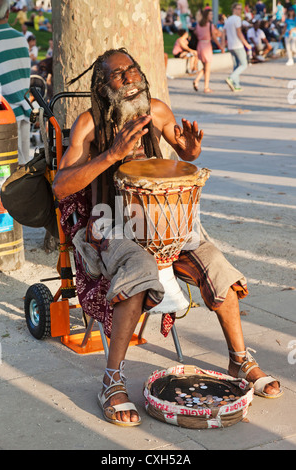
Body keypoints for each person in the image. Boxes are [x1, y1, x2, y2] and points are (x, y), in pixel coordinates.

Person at [52, 48, 283, 426]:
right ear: (102, 85)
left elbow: (183, 150)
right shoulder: (88, 125)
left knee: (216, 265)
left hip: (165, 225)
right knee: (139, 268)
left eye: (132, 70)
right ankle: (111, 382)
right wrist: (111, 154)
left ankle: (239, 360)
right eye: (117, 75)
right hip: (111, 225)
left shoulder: (156, 110)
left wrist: (191, 149)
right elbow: (62, 187)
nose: (130, 79)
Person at [0, 0, 31, 165]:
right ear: (8, 14)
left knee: (6, 169)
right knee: (24, 166)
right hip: (24, 109)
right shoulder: (21, 39)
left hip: (2, 117)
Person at [222, 2, 252, 92]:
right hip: (237, 45)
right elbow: (239, 33)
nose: (240, 11)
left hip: (231, 46)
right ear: (234, 9)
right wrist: (246, 43)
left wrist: (223, 46)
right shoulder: (237, 19)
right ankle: (231, 78)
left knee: (236, 66)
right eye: (238, 9)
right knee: (244, 64)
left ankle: (236, 85)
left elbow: (223, 33)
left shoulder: (228, 20)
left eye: (240, 9)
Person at [192, 9, 223, 93]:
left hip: (200, 45)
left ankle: (196, 80)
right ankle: (206, 87)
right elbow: (214, 37)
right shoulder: (209, 25)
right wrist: (220, 46)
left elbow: (195, 33)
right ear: (207, 15)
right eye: (210, 14)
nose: (212, 16)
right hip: (206, 46)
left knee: (205, 67)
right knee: (207, 68)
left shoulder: (198, 25)